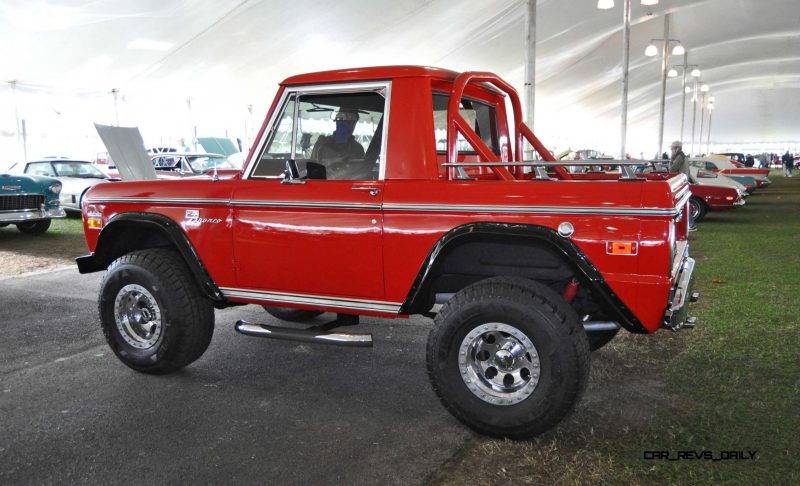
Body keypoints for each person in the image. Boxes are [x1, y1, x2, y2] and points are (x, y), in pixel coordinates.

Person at [669, 140, 695, 231]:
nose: (671, 150)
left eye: (672, 148)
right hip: (684, 181)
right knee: (683, 203)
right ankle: (690, 224)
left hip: (681, 183)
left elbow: (672, 169)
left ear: (677, 148)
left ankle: (691, 224)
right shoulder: (684, 156)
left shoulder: (679, 157)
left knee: (682, 204)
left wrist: (671, 160)